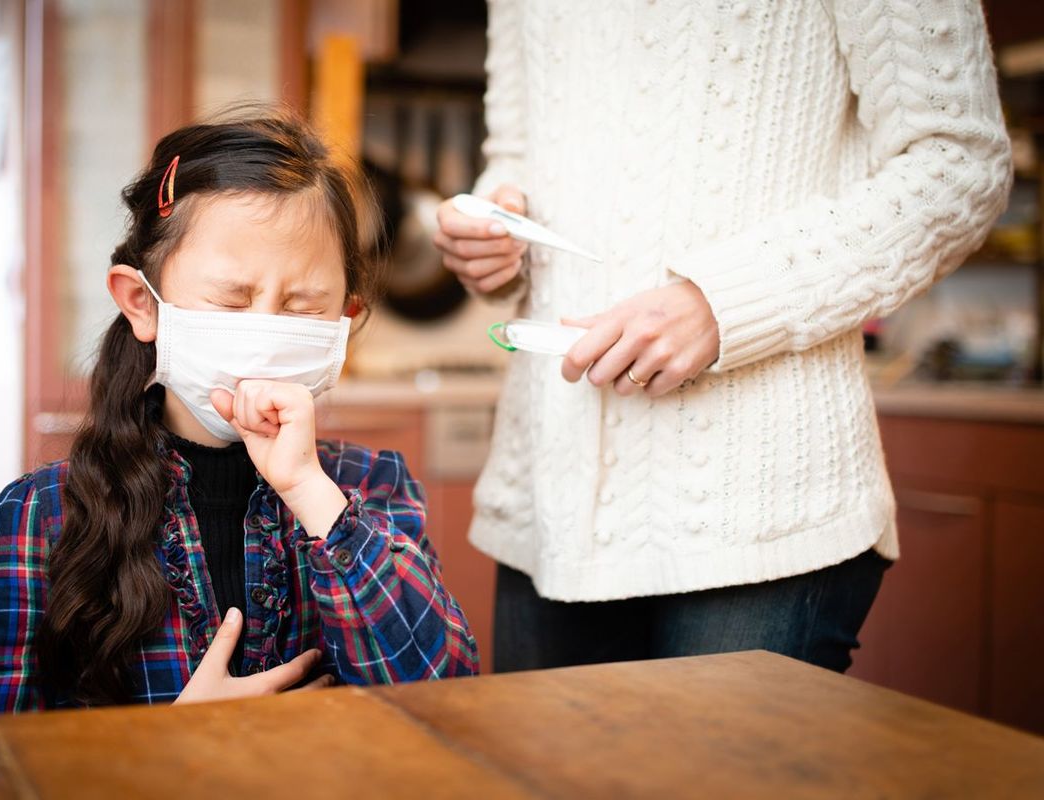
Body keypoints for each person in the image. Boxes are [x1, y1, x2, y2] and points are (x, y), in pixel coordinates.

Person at [434, 0, 1012, 672]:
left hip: (761, 511)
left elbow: (958, 165)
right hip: (549, 511)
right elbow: (515, 157)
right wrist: (498, 234)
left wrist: (724, 304)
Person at [0, 111, 478, 718]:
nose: (265, 330)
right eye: (231, 298)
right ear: (142, 303)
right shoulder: (38, 518)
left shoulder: (370, 487)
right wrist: (170, 744)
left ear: (344, 323)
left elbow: (448, 695)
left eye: (303, 306)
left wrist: (310, 493)